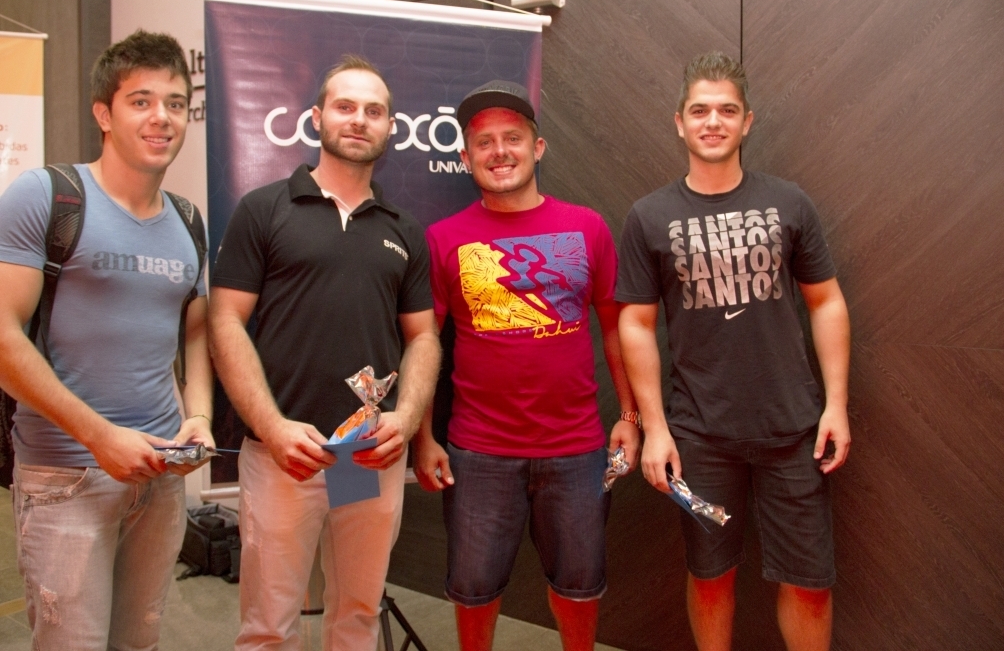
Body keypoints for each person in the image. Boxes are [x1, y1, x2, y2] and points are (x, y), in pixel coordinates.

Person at [616, 51, 851, 651]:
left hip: (794, 431)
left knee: (809, 583)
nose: (713, 121)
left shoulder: (790, 203)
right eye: (700, 110)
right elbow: (635, 324)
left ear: (747, 122)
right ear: (679, 122)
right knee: (710, 575)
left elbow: (826, 302)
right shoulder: (649, 216)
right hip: (700, 436)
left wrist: (836, 405)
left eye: (727, 110)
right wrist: (655, 429)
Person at [209, 55, 441, 651]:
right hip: (285, 455)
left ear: (391, 127)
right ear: (316, 118)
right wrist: (271, 427)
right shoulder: (264, 209)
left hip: (364, 457)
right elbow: (225, 322)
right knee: (268, 626)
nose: (359, 119)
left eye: (374, 111)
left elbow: (423, 338)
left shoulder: (403, 229)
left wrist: (407, 418)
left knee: (357, 616)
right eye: (345, 106)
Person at [0, 30, 213, 650]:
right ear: (104, 113)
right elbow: (4, 339)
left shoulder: (188, 220)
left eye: (175, 103)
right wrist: (100, 437)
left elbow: (195, 334)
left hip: (160, 476)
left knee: (138, 643)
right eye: (140, 101)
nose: (161, 117)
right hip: (65, 474)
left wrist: (198, 416)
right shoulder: (47, 197)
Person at [413, 80, 640, 651]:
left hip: (577, 449)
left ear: (537, 148)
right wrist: (422, 437)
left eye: (512, 138)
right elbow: (423, 344)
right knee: (473, 591)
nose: (499, 151)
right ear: (465, 158)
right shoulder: (442, 239)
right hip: (477, 452)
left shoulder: (588, 227)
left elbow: (617, 329)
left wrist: (630, 415)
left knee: (579, 588)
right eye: (484, 142)